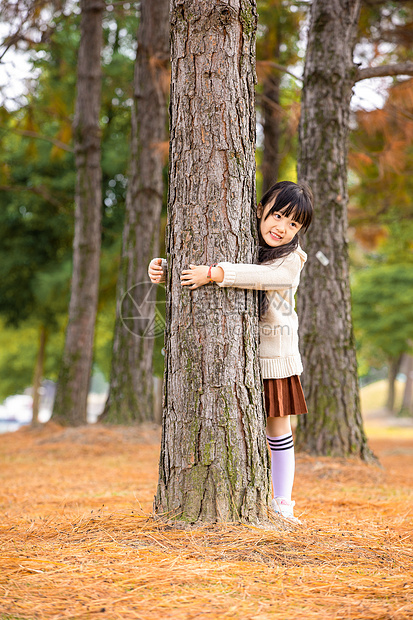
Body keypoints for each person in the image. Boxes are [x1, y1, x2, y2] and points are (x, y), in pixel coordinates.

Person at [148, 180, 314, 524]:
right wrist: (165, 270)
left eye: (293, 223)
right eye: (278, 215)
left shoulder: (292, 260)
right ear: (260, 210)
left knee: (278, 429)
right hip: (239, 357)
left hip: (273, 358)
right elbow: (196, 272)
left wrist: (215, 273)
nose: (282, 227)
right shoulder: (241, 239)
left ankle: (282, 501)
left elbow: (259, 277)